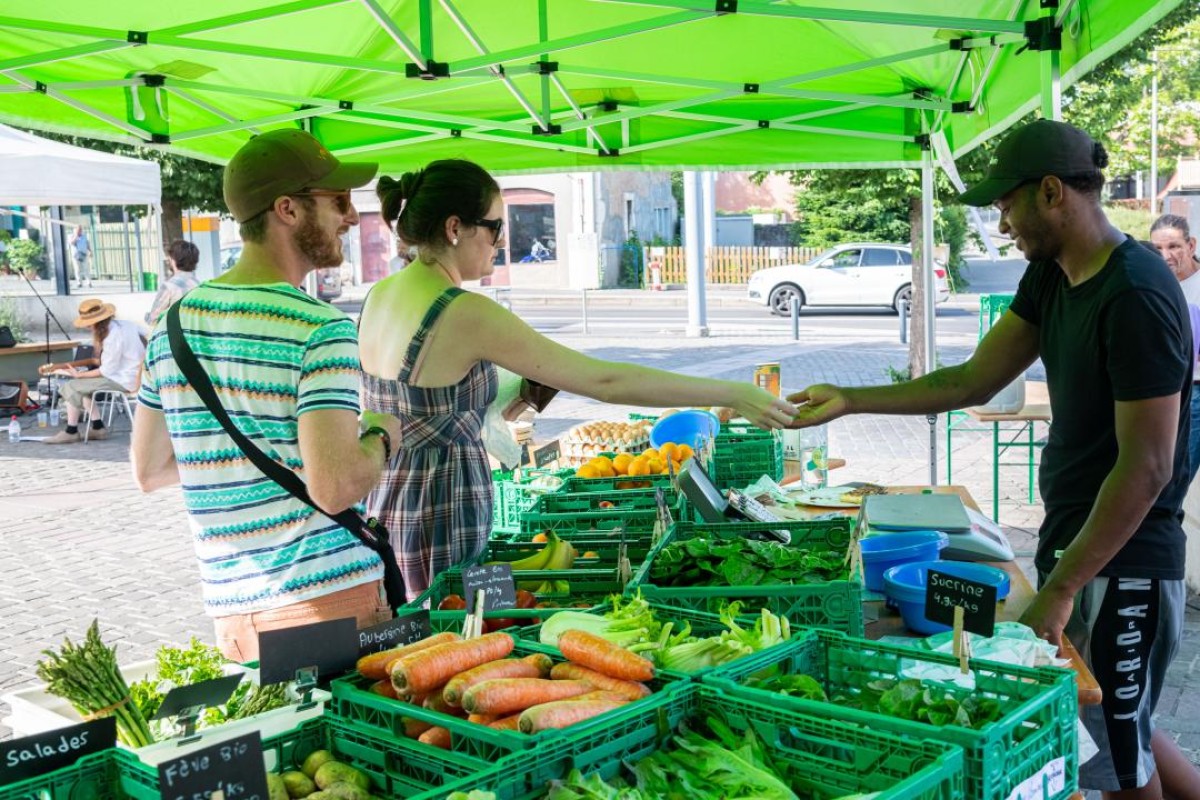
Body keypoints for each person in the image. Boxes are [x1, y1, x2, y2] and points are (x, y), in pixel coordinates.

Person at [789, 120, 1200, 800]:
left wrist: (1060, 590)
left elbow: (1148, 467)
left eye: (1007, 204)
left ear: (1051, 192)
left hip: (1126, 563)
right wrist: (851, 398)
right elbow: (972, 380)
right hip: (1075, 539)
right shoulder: (1051, 275)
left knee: (1120, 765)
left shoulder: (1136, 294)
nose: (1001, 223)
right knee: (1120, 729)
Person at [357, 159, 798, 600]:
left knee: (408, 620)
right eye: (495, 227)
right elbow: (605, 381)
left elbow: (418, 404)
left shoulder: (380, 295)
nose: (502, 242)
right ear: (455, 227)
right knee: (448, 620)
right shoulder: (464, 311)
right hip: (442, 507)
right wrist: (733, 393)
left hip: (386, 496)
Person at [130, 129, 403, 662]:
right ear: (288, 210)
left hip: (234, 613)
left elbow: (150, 469)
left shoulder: (172, 326)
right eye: (338, 201)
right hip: (329, 600)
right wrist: (380, 437)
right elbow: (335, 488)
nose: (351, 217)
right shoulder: (319, 326)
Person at [40, 299, 146, 444]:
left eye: (89, 324)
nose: (87, 327)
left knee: (71, 386)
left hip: (124, 379)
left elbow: (106, 370)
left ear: (98, 323)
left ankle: (71, 431)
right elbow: (146, 337)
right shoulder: (126, 324)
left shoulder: (112, 337)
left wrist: (79, 374)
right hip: (136, 374)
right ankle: (98, 428)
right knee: (84, 386)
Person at [1151, 214, 1200, 482]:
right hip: (1164, 390)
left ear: (1191, 245)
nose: (1165, 256)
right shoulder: (1152, 283)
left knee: (1175, 478)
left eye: (1173, 246)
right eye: (1157, 248)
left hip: (1194, 391)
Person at [145, 239, 202, 324]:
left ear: (173, 260)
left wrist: (147, 317)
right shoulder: (199, 285)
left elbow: (154, 319)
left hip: (176, 331)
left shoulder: (169, 287)